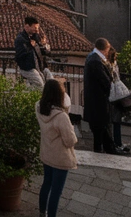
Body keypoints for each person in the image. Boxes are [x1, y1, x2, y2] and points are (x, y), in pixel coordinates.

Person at [36, 78, 78, 217]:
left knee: (46, 184)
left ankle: (42, 212)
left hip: (46, 152)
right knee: (56, 191)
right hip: (60, 157)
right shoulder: (61, 116)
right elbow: (70, 141)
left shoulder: (39, 108)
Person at [83, 38, 117, 154]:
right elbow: (105, 81)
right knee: (101, 126)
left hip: (95, 100)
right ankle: (104, 149)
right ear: (105, 49)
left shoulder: (91, 57)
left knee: (100, 127)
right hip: (98, 100)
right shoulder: (96, 61)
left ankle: (106, 148)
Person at [15, 15, 50, 89]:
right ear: (27, 26)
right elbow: (20, 55)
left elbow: (45, 52)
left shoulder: (35, 36)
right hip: (28, 68)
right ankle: (27, 92)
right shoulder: (20, 39)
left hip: (39, 66)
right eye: (35, 28)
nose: (37, 30)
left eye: (37, 28)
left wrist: (44, 45)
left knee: (50, 82)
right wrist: (30, 46)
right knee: (40, 85)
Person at [107, 47, 131, 154]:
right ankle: (117, 142)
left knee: (111, 121)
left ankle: (114, 143)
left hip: (111, 95)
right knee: (116, 121)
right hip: (118, 95)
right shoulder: (114, 65)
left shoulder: (107, 65)